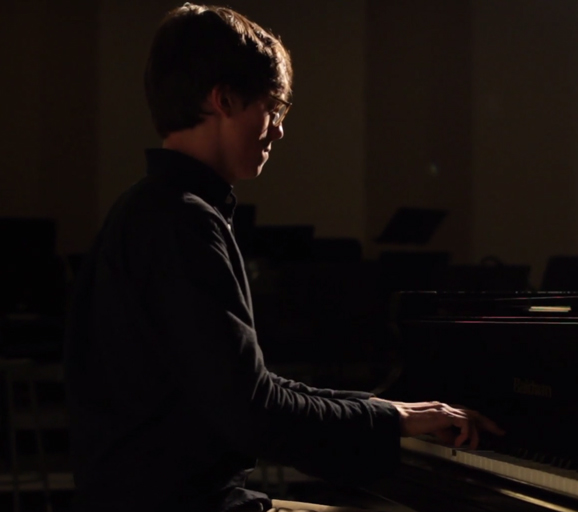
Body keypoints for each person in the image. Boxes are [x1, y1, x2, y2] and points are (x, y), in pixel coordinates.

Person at [63, 4, 504, 512]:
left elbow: (246, 388)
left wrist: (380, 408)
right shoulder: (181, 223)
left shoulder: (152, 209)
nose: (278, 130)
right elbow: (253, 412)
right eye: (274, 107)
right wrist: (392, 422)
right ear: (224, 99)